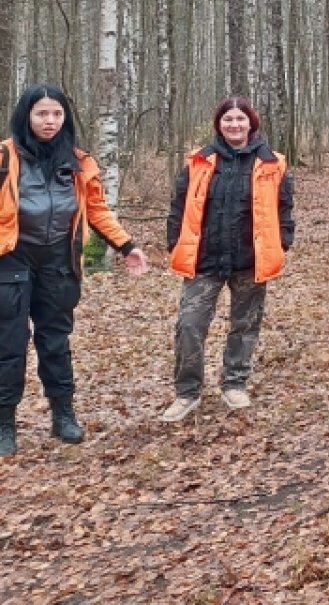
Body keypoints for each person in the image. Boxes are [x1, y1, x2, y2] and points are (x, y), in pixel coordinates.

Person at [0, 83, 149, 456]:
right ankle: (4, 423)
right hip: (12, 261)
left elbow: (97, 211)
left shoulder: (79, 162)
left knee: (56, 342)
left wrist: (126, 245)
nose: (49, 121)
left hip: (58, 262)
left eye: (56, 114)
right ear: (26, 116)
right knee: (9, 345)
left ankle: (63, 414)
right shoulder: (4, 157)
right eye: (41, 114)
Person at [160, 97, 294, 422]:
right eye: (228, 119)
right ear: (219, 124)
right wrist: (174, 241)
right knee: (189, 326)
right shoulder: (199, 161)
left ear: (252, 123)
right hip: (203, 259)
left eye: (240, 119)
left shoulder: (272, 164)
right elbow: (178, 206)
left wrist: (283, 241)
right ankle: (187, 392)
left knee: (245, 326)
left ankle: (235, 383)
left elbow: (284, 208)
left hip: (251, 260)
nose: (234, 125)